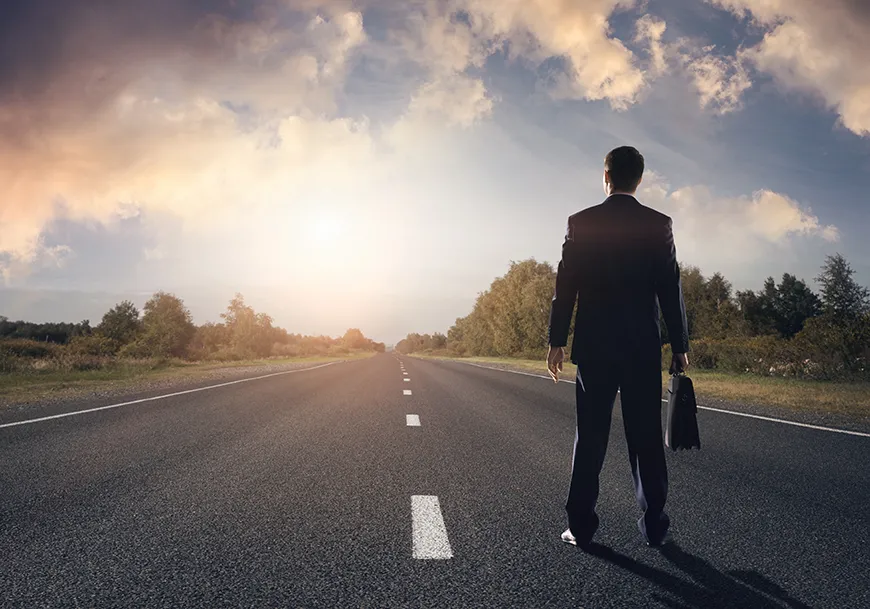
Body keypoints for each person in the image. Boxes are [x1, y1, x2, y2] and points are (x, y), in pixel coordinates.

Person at [546, 146, 690, 549]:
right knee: (645, 437)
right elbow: (670, 287)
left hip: (595, 347)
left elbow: (565, 286)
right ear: (639, 179)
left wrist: (557, 341)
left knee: (590, 436)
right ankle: (654, 528)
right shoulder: (659, 224)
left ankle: (581, 527)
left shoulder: (581, 222)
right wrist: (679, 345)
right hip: (643, 348)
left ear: (605, 176)